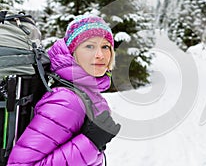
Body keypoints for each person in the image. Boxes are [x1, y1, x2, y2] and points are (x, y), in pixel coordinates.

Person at [7, 15, 121, 165]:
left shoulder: (84, 92)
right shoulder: (66, 100)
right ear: (72, 52)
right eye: (89, 46)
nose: (100, 55)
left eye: (105, 47)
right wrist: (90, 143)